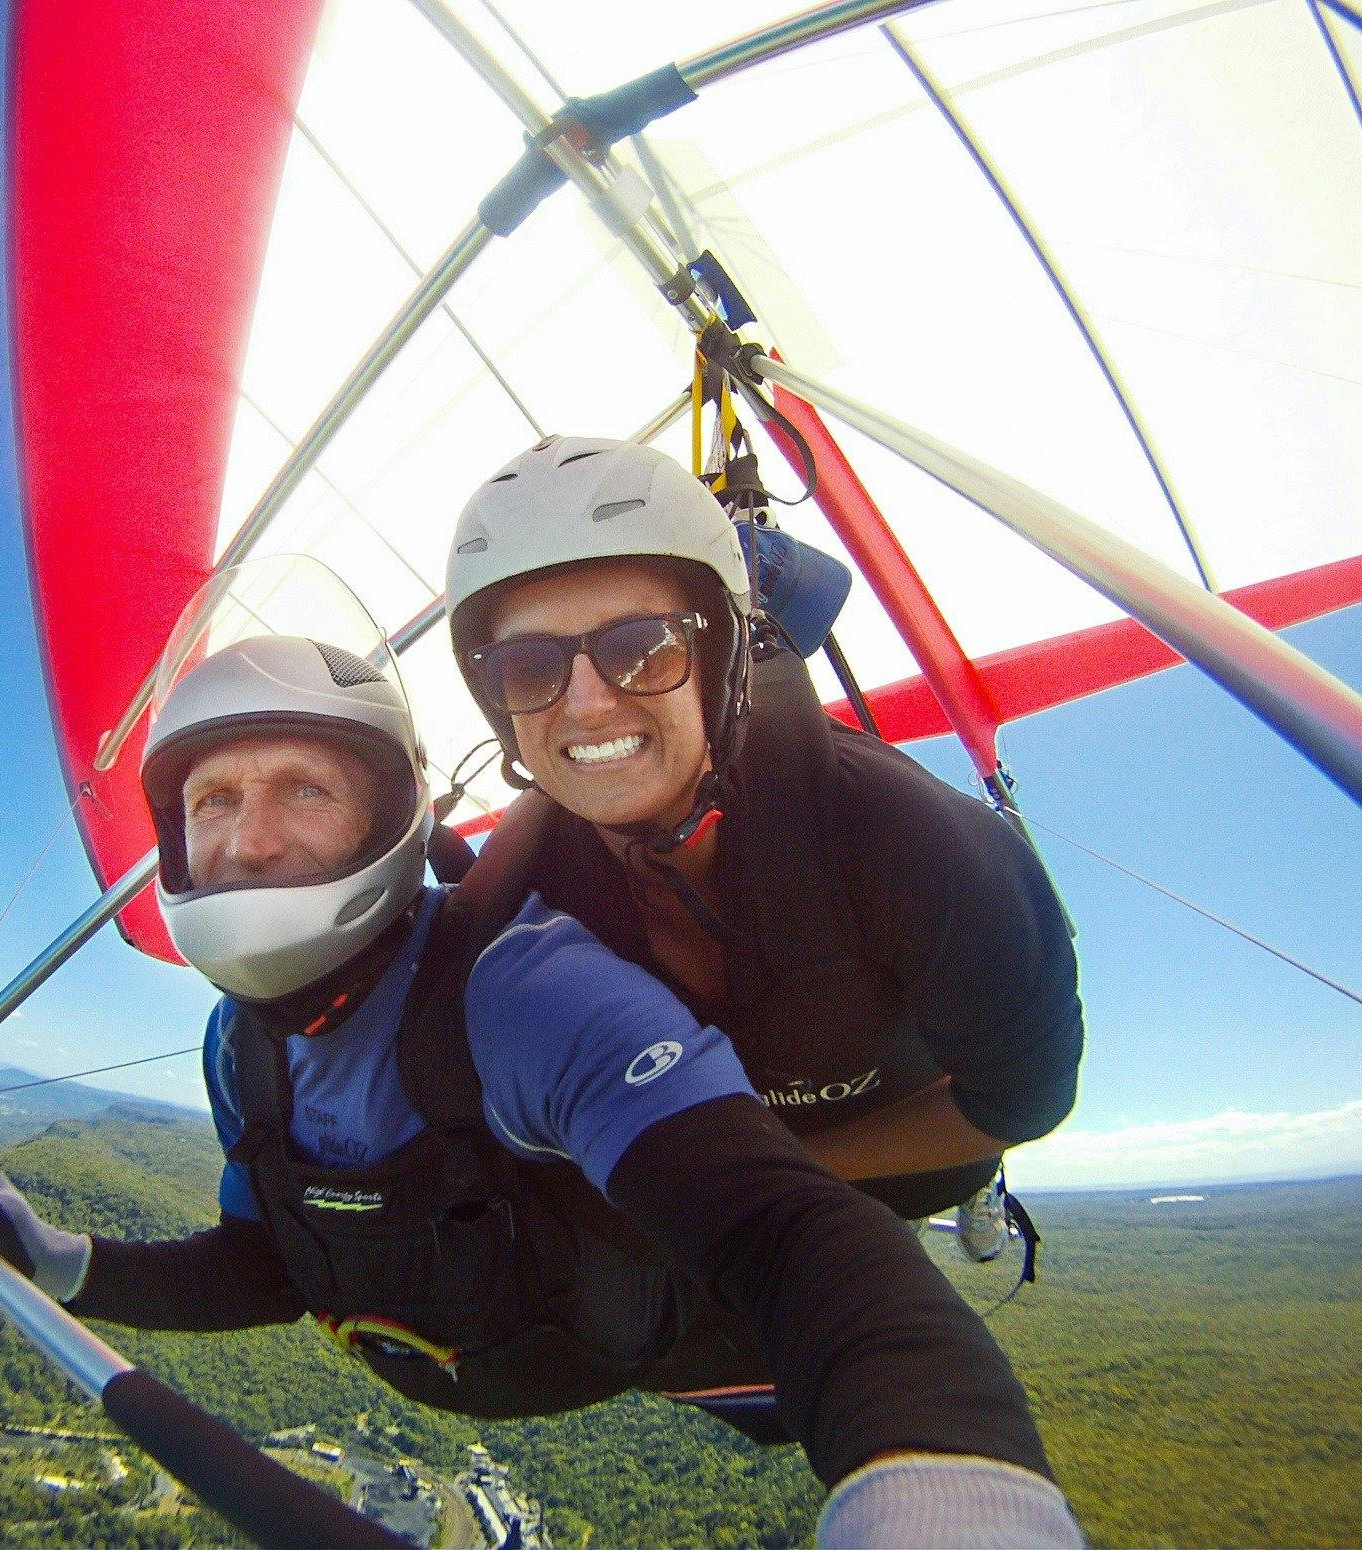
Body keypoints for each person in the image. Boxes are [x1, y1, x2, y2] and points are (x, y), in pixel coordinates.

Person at [0, 618, 1084, 1548]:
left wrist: (949, 1487)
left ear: (391, 814)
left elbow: (792, 1234)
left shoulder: (521, 990)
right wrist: (62, 1257)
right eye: (211, 800)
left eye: (303, 786)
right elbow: (269, 1264)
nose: (247, 839)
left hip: (669, 1344)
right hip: (503, 1345)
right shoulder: (239, 1044)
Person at [445, 436, 1086, 1260]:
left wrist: (784, 1173)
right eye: (528, 666)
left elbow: (1027, 1097)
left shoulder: (917, 844)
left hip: (917, 1164)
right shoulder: (519, 883)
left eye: (643, 647)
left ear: (721, 664)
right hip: (721, 1182)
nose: (590, 703)